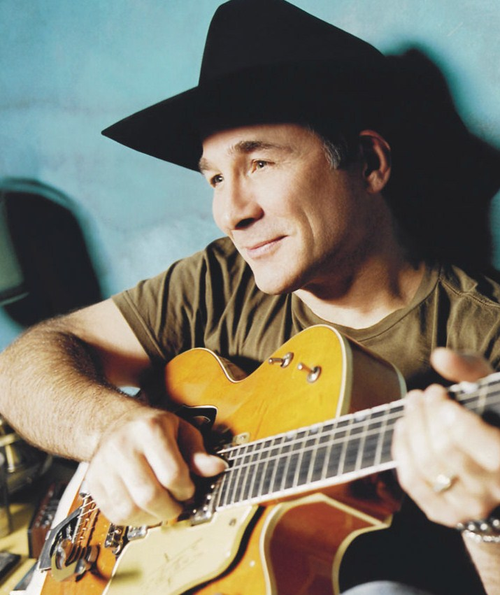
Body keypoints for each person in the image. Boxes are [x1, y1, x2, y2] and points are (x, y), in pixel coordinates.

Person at [1, 1, 500, 593]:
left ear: (368, 163)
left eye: (259, 163)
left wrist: (489, 522)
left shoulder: (483, 335)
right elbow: (23, 365)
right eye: (215, 178)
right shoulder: (219, 279)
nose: (231, 213)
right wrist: (108, 427)